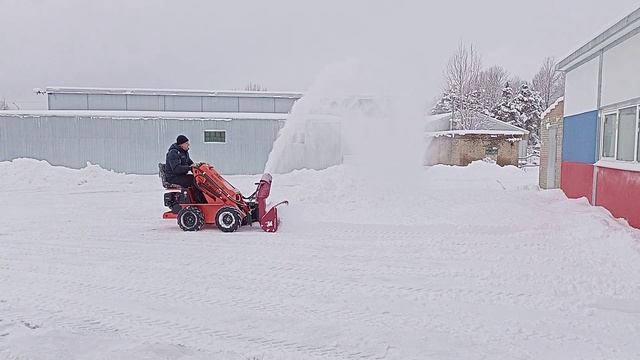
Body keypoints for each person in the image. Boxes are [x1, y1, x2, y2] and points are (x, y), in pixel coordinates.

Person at [165, 135, 206, 203]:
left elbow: (190, 163)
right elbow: (176, 169)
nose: (188, 144)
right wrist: (190, 168)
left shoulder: (184, 152)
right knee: (193, 180)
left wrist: (197, 167)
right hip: (173, 177)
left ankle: (204, 199)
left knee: (198, 179)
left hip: (180, 176)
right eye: (186, 143)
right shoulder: (173, 153)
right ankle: (199, 201)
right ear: (181, 144)